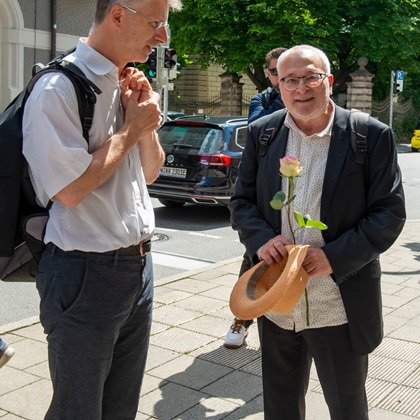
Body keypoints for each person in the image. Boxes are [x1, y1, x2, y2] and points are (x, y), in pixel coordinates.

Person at [22, 0, 182, 418]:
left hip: (138, 269)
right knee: (78, 409)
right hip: (83, 272)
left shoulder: (123, 83)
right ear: (117, 16)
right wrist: (132, 129)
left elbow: (150, 172)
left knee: (120, 407)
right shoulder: (58, 88)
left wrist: (142, 121)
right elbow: (71, 190)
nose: (163, 38)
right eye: (156, 24)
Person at [229, 44, 406, 419]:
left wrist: (333, 257)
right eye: (290, 79)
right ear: (279, 85)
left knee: (346, 406)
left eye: (311, 77)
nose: (301, 88)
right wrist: (262, 239)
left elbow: (389, 213)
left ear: (328, 80)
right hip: (277, 301)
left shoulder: (369, 135)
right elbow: (242, 201)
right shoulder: (263, 134)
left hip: (338, 304)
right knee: (280, 406)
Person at [224, 47, 287, 349]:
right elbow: (258, 131)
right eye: (274, 72)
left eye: (282, 70)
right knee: (255, 254)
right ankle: (242, 317)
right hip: (265, 186)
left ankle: (285, 316)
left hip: (296, 183)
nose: (278, 77)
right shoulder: (262, 100)